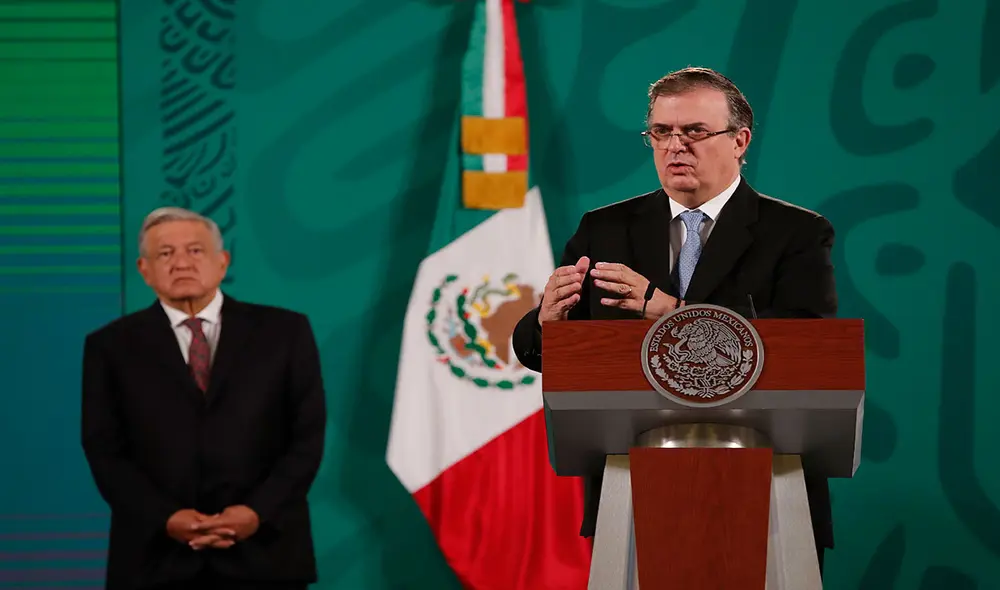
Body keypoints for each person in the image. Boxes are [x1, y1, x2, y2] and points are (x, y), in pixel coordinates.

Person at [512, 66, 837, 571]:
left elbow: (807, 346)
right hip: (629, 484)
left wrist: (668, 311)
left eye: (694, 132)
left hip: (768, 485)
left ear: (739, 140)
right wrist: (546, 323)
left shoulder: (796, 232)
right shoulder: (605, 229)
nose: (674, 146)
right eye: (661, 132)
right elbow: (548, 351)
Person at [81, 207, 327, 590]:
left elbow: (306, 439)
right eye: (165, 254)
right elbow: (105, 451)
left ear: (222, 261)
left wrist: (256, 512)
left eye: (195, 251)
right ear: (144, 270)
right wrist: (166, 518)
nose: (180, 263)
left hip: (267, 556)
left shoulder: (285, 332)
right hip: (155, 562)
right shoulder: (110, 346)